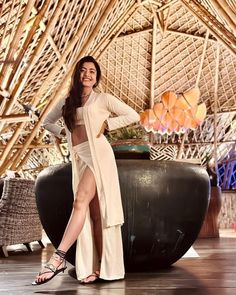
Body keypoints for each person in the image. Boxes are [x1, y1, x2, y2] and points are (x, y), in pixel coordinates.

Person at [32, 56, 140, 285]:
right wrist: (64, 134)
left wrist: (108, 124)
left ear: (97, 76)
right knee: (94, 214)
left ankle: (58, 258)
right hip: (80, 157)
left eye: (92, 71)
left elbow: (134, 115)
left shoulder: (103, 99)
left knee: (80, 202)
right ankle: (98, 267)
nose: (88, 74)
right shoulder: (67, 102)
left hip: (99, 155)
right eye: (83, 70)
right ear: (77, 74)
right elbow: (47, 122)